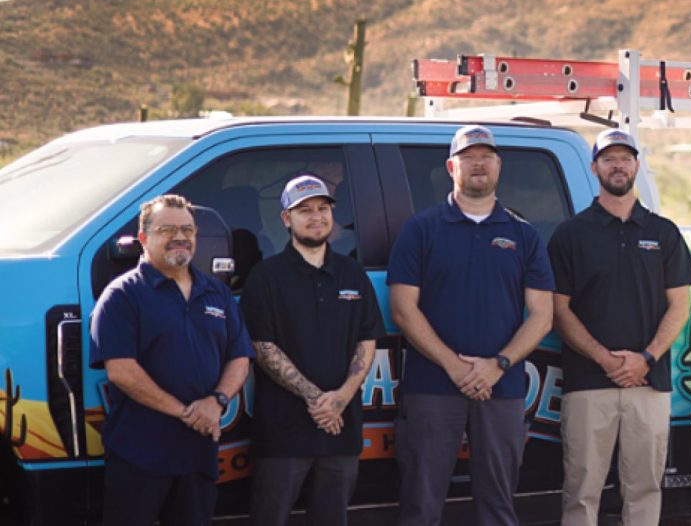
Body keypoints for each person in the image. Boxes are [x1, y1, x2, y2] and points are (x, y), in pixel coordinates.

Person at [387, 125, 555, 526]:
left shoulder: (524, 235)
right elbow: (403, 309)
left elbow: (542, 314)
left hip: (502, 387)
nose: (478, 163)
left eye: (486, 156)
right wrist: (454, 365)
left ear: (499, 166)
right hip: (432, 386)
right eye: (468, 157)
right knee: (420, 503)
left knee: (498, 505)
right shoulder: (421, 229)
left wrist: (497, 365)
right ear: (451, 166)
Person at [548, 128, 691, 526]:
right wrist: (605, 358)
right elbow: (558, 309)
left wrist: (646, 358)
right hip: (588, 383)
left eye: (625, 158)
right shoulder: (570, 234)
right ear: (594, 166)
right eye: (609, 158)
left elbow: (679, 306)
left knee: (645, 489)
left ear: (636, 165)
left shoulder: (663, 232)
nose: (618, 165)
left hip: (649, 384)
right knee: (581, 491)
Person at [89, 194, 253, 526]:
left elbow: (239, 357)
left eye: (188, 230)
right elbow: (121, 371)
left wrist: (217, 401)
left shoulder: (216, 291)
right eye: (168, 229)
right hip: (140, 452)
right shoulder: (122, 295)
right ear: (144, 239)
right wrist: (188, 412)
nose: (180, 237)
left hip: (198, 453)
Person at [240, 174, 384, 526]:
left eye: (323, 208)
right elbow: (263, 346)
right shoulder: (265, 277)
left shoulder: (352, 274)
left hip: (341, 429)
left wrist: (341, 398)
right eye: (304, 210)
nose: (316, 217)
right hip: (283, 431)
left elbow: (366, 340)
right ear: (286, 219)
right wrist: (318, 399)